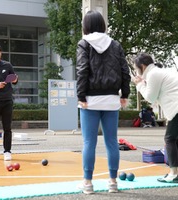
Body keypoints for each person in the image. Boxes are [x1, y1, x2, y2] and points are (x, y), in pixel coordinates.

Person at [76, 10, 131, 194]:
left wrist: (81, 95)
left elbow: (82, 70)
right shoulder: (115, 45)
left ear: (86, 25)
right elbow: (125, 70)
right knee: (112, 142)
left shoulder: (84, 44)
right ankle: (113, 183)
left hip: (90, 100)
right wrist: (125, 94)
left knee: (89, 143)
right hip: (111, 100)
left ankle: (88, 184)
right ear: (102, 25)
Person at [133, 52, 178, 183]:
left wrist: (139, 85)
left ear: (142, 66)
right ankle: (175, 172)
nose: (137, 72)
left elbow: (150, 97)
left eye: (136, 68)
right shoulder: (159, 72)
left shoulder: (153, 74)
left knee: (169, 139)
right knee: (175, 139)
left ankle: (174, 173)